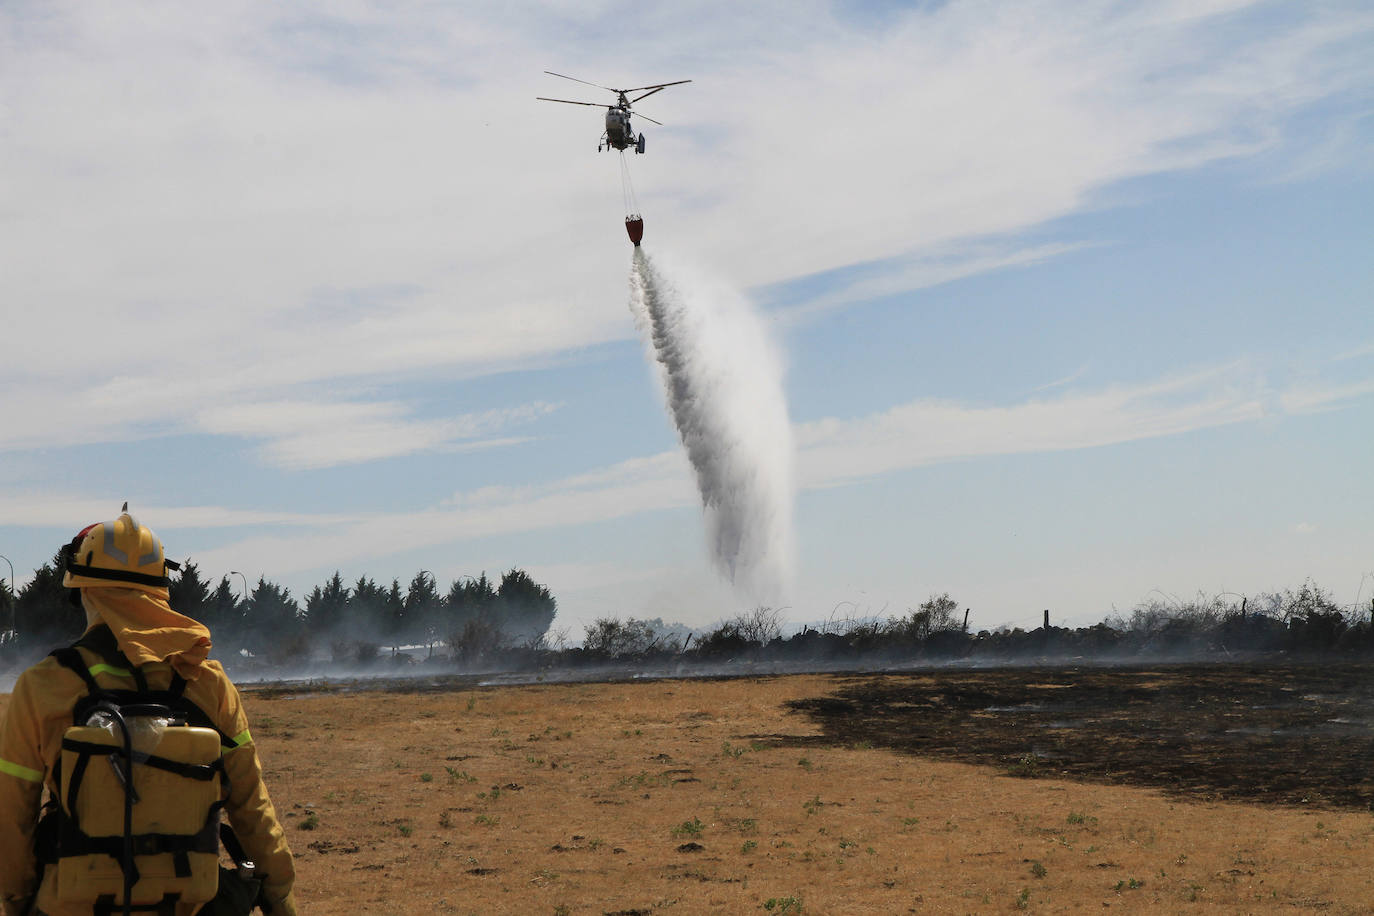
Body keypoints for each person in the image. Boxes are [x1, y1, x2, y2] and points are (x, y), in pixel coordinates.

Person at [0, 511, 298, 916]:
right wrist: (280, 897)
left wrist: (17, 902)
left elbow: (12, 819)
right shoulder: (208, 682)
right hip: (191, 903)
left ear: (83, 592)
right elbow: (252, 808)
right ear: (162, 592)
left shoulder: (41, 686)